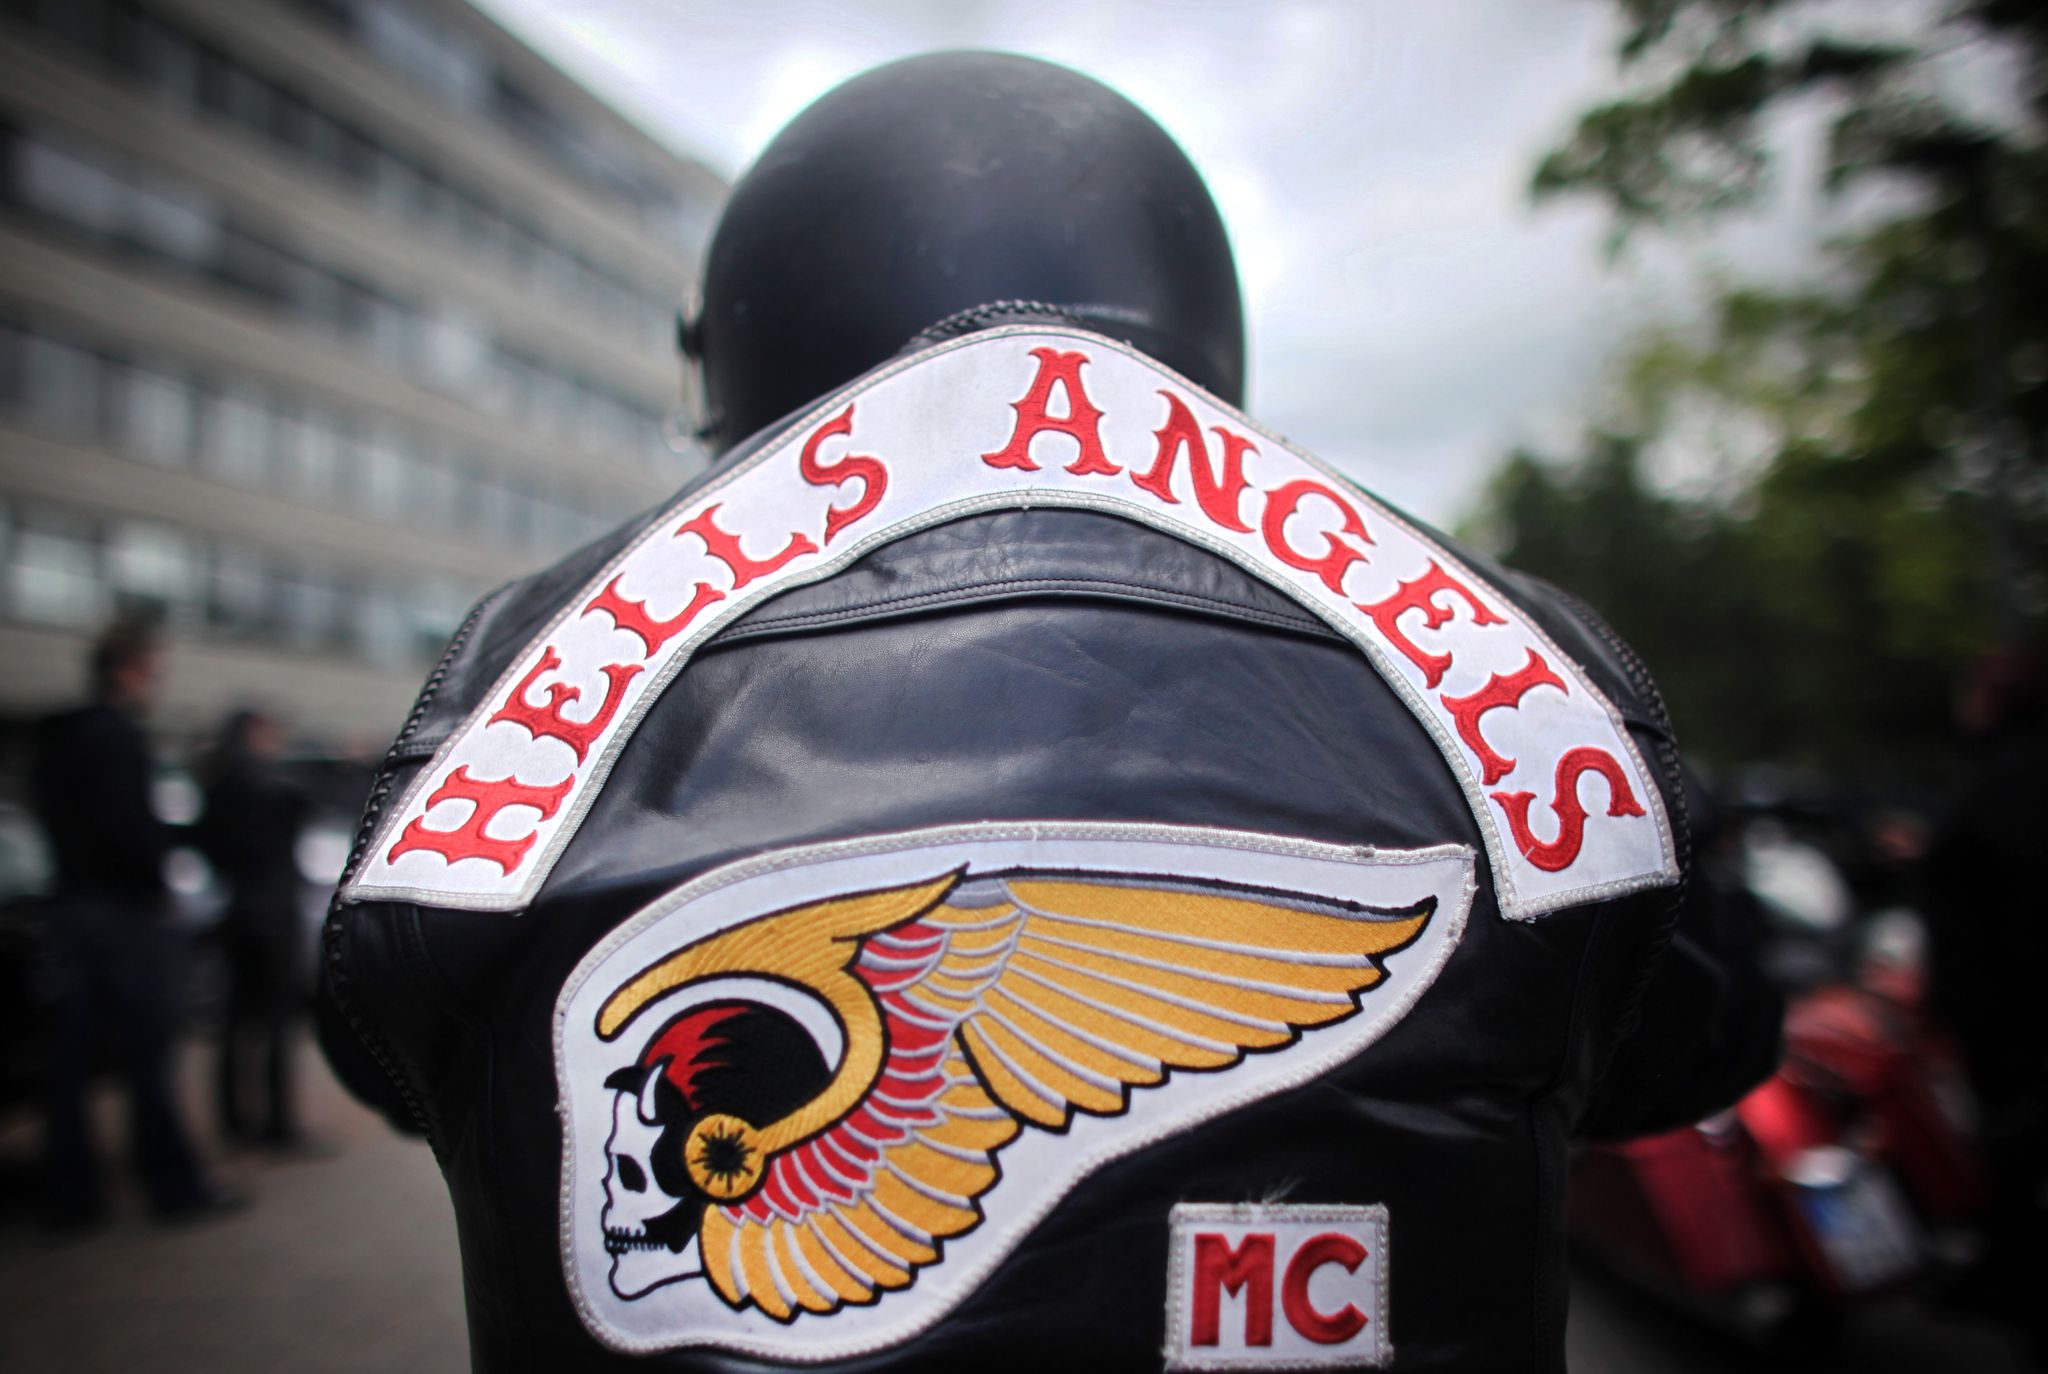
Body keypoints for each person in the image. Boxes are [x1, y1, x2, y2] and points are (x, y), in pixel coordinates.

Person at [320, 53, 1777, 1371]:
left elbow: (387, 1044)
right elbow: (1700, 1045)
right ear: (1191, 309)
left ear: (745, 341)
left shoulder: (518, 668)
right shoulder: (1525, 665)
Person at [31, 618, 229, 1226]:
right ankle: (173, 1187)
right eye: (153, 670)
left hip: (72, 908)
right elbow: (126, 829)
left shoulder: (58, 737)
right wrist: (157, 883)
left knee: (70, 1062)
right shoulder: (115, 736)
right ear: (131, 669)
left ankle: (71, 1196)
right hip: (123, 917)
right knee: (148, 1055)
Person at [196, 708, 311, 1149]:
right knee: (278, 1021)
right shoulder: (269, 784)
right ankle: (279, 1125)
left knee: (235, 1020)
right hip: (273, 911)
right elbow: (301, 806)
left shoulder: (217, 782)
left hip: (237, 908)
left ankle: (234, 1122)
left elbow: (207, 845)